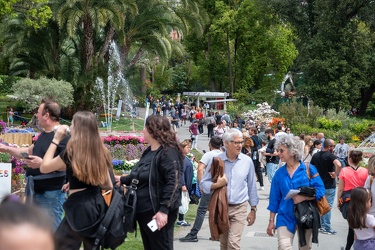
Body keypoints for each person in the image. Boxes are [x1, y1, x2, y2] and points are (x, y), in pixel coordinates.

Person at [37, 111, 113, 249]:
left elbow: (44, 167)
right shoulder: (101, 150)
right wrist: (74, 182)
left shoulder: (72, 151)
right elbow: (108, 185)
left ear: (77, 128)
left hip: (79, 207)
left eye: (72, 124)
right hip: (96, 206)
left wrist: (56, 140)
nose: (69, 127)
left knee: (60, 245)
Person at [0, 99, 68, 231]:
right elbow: (27, 152)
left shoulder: (63, 136)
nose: (36, 115)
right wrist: (5, 148)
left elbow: (68, 165)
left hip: (51, 194)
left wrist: (42, 164)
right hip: (36, 191)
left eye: (38, 112)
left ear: (46, 115)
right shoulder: (44, 134)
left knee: (51, 235)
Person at [117, 115, 183, 250]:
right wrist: (122, 180)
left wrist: (164, 210)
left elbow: (174, 183)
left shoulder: (168, 153)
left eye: (145, 128)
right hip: (143, 212)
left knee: (161, 246)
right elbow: (140, 175)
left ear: (153, 130)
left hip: (156, 211)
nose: (143, 131)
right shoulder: (149, 151)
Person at [201, 129, 259, 250]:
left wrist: (253, 209)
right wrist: (217, 185)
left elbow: (251, 186)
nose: (240, 145)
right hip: (222, 207)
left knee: (233, 243)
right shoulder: (216, 160)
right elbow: (204, 184)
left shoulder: (247, 161)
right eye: (236, 142)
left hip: (240, 207)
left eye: (241, 142)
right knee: (224, 244)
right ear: (226, 143)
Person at [266, 135, 325, 249]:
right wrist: (271, 221)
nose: (278, 153)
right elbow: (274, 199)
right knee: (284, 247)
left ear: (292, 152)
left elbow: (321, 190)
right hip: (285, 216)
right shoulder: (279, 174)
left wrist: (304, 198)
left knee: (305, 248)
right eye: (278, 150)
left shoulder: (309, 169)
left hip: (306, 215)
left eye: (281, 150)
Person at [179, 136, 223, 242]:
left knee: (202, 210)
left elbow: (200, 170)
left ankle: (193, 234)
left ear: (210, 144)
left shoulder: (208, 155)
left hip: (209, 186)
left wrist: (201, 184)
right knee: (217, 210)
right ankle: (218, 234)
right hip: (220, 185)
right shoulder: (223, 155)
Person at [337, 150, 368, 250]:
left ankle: (348, 247)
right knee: (357, 226)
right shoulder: (365, 171)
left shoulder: (344, 170)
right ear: (359, 160)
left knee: (352, 226)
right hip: (361, 198)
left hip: (348, 199)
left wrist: (339, 201)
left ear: (349, 159)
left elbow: (341, 188)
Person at [310, 139, 341, 235]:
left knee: (318, 205)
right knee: (328, 206)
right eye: (333, 146)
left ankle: (318, 225)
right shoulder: (330, 156)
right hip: (329, 185)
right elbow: (338, 164)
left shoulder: (315, 155)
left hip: (318, 184)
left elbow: (311, 167)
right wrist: (336, 174)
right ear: (329, 147)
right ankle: (326, 226)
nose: (333, 148)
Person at [177, 140, 194, 227]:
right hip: (182, 185)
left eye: (189, 147)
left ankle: (181, 219)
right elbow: (181, 173)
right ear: (182, 148)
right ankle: (180, 219)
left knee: (183, 201)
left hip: (186, 184)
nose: (189, 149)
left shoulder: (185, 157)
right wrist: (183, 184)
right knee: (182, 202)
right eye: (187, 147)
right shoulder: (182, 159)